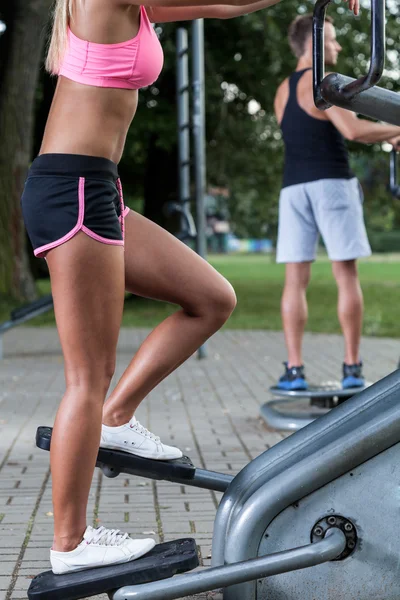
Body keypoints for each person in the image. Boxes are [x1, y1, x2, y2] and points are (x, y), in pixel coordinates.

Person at [273, 13, 400, 391]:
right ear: (314, 42)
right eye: (331, 39)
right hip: (331, 185)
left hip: (293, 189)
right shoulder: (326, 84)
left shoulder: (282, 89)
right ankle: (351, 366)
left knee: (295, 280)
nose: (338, 46)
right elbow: (356, 131)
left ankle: (294, 370)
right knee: (346, 276)